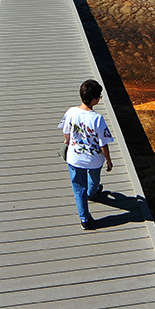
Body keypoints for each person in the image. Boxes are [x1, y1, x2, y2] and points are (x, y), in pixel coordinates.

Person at [59, 79, 114, 230]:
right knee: (94, 178)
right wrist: (108, 160)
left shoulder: (71, 112)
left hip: (75, 158)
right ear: (95, 100)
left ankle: (84, 219)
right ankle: (92, 192)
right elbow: (103, 144)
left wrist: (69, 142)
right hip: (94, 160)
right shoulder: (97, 119)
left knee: (78, 190)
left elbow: (66, 133)